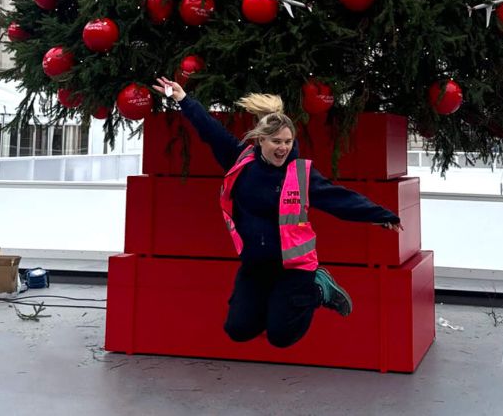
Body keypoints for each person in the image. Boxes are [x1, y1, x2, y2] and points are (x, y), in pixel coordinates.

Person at [154, 76, 404, 349]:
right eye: (276, 141)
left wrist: (381, 215)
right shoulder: (240, 160)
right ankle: (274, 307)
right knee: (239, 329)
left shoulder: (300, 174)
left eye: (288, 141)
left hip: (294, 267)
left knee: (281, 337)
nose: (283, 147)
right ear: (261, 140)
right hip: (257, 265)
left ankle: (319, 288)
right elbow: (209, 129)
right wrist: (183, 99)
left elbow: (339, 199)